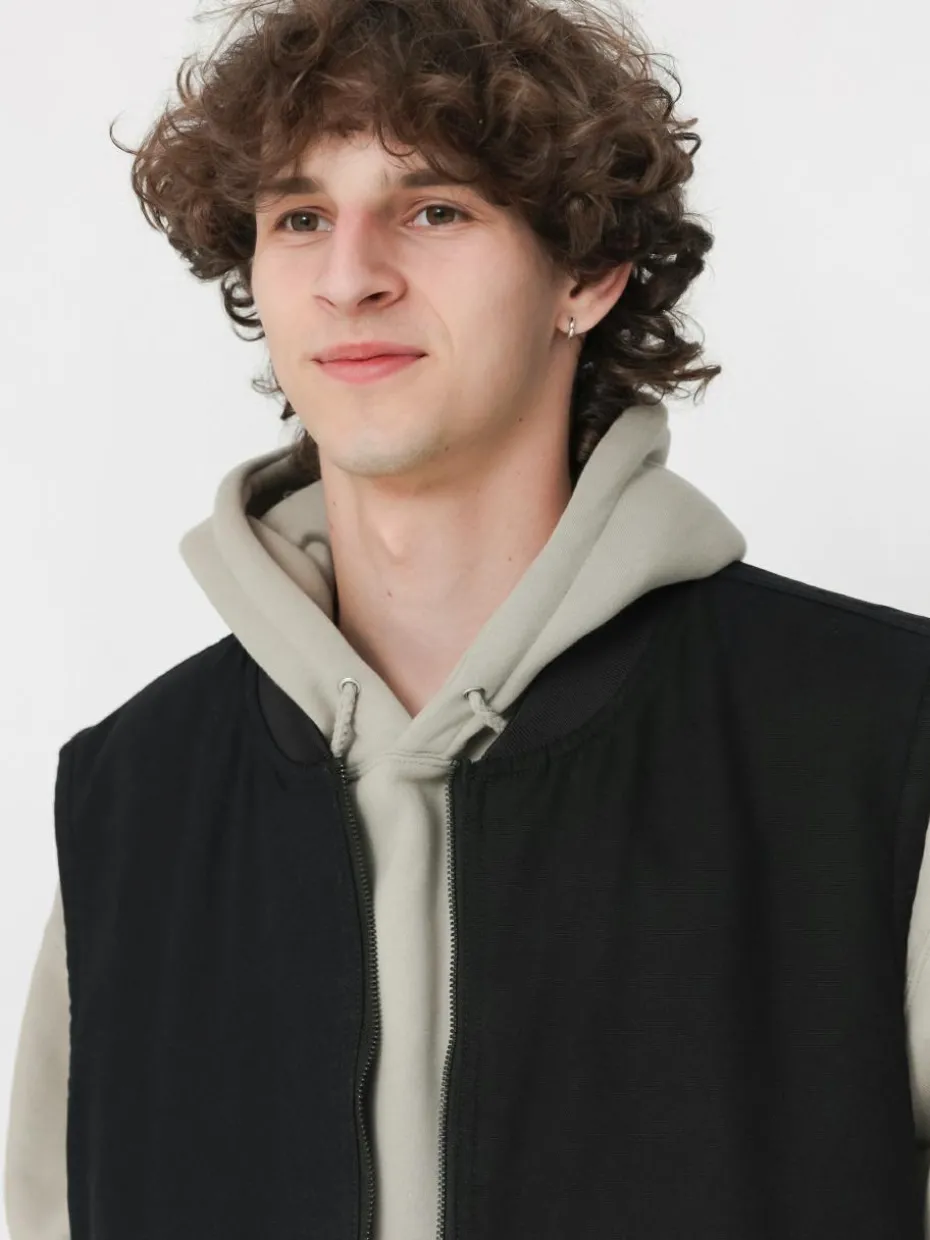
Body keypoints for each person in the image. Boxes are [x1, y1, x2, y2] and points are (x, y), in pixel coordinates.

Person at [6, 0, 930, 1236]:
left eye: (434, 209)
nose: (351, 277)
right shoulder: (130, 802)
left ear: (586, 275)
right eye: (299, 218)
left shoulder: (877, 744)